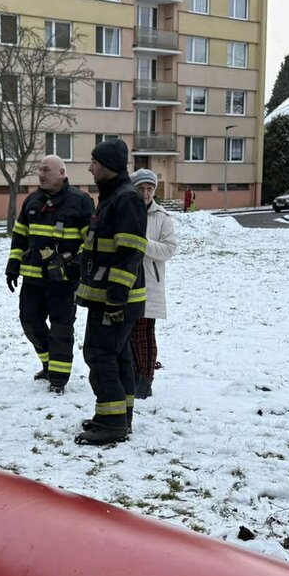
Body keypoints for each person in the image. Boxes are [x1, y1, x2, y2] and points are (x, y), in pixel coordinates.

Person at [74, 139, 146, 446]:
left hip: (115, 299)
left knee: (99, 354)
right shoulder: (113, 197)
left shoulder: (125, 199)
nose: (90, 168)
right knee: (117, 356)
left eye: (94, 163)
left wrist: (116, 295)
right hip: (110, 296)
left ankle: (112, 422)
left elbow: (130, 251)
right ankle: (119, 415)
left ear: (108, 166)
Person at [6, 154, 94, 393]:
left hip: (64, 282)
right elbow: (20, 235)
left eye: (46, 170)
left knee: (61, 328)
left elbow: (91, 240)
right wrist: (13, 265)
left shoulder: (81, 201)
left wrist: (75, 265)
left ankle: (58, 378)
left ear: (62, 173)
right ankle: (47, 363)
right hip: (33, 278)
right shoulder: (32, 201)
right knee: (30, 322)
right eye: (40, 170)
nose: (41, 174)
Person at [130, 169, 177, 399]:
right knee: (128, 333)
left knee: (144, 333)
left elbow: (169, 249)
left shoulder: (162, 217)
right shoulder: (126, 211)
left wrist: (143, 244)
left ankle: (145, 380)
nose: (146, 193)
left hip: (150, 283)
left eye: (149, 189)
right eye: (141, 189)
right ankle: (133, 375)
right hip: (127, 281)